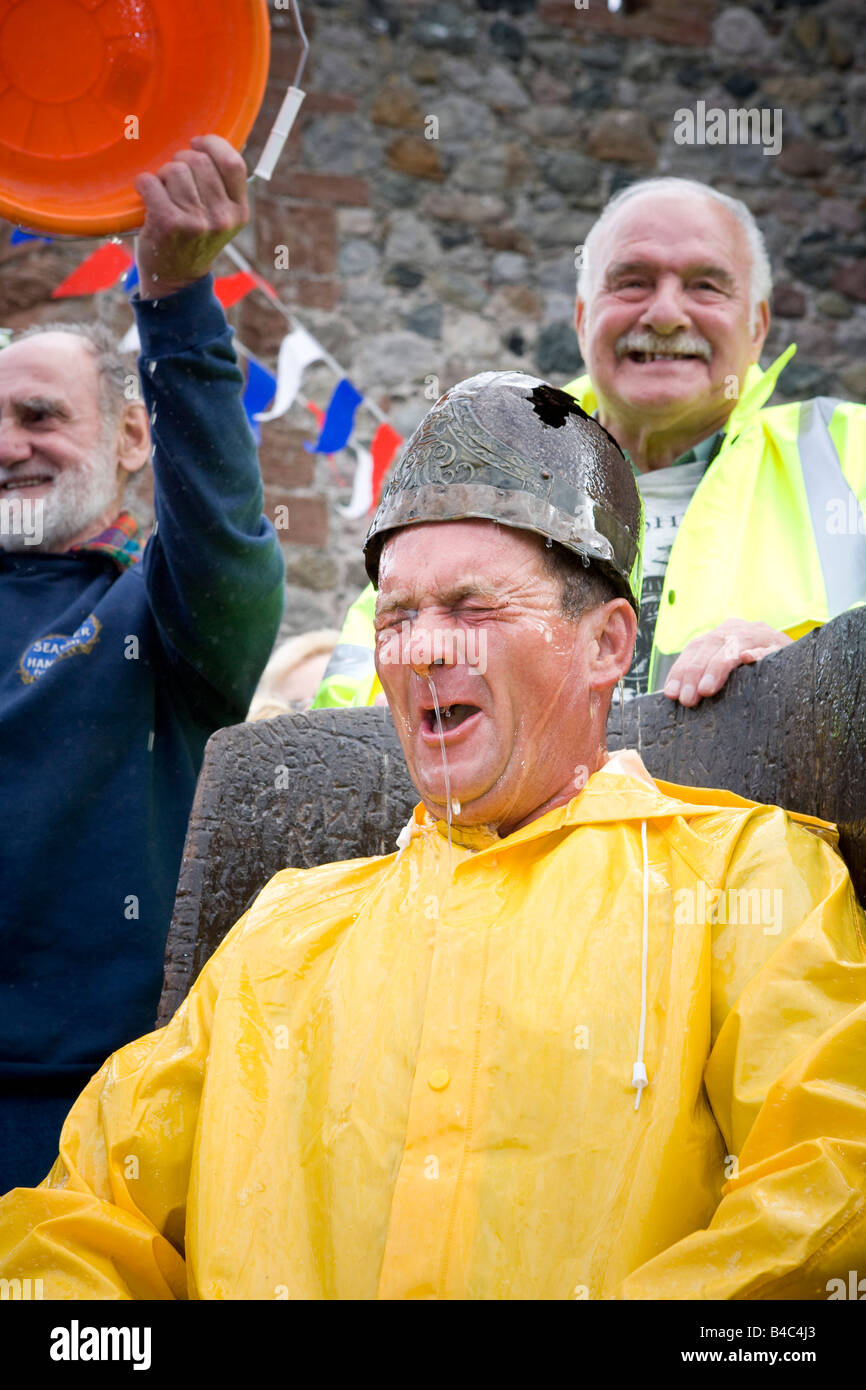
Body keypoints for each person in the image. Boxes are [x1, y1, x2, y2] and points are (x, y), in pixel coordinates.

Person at [1, 373, 863, 1301]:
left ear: (609, 644)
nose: (420, 651)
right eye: (399, 616)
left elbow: (831, 1184)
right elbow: (80, 1220)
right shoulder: (284, 930)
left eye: (472, 608)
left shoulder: (745, 876)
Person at [0, 136, 285, 1192]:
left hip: (109, 1110)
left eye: (39, 416)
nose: (7, 444)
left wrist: (173, 298)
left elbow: (220, 528)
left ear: (130, 436)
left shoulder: (163, 616)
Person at [313, 176, 866, 710]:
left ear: (758, 326)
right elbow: (350, 718)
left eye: (705, 285)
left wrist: (820, 683)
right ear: (582, 319)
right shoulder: (475, 470)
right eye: (632, 282)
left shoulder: (853, 453)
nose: (667, 314)